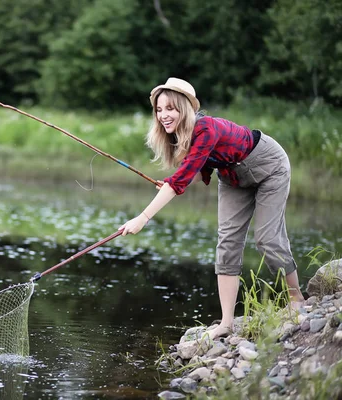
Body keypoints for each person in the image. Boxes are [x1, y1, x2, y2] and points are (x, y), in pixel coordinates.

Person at [120, 77, 305, 339]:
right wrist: (171, 183)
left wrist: (143, 217)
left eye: (170, 109)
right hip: (232, 178)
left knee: (267, 239)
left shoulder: (205, 128)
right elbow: (190, 172)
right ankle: (226, 323)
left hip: (269, 166)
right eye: (159, 110)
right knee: (227, 243)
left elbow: (180, 181)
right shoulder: (184, 136)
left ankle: (297, 298)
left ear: (184, 108)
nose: (163, 115)